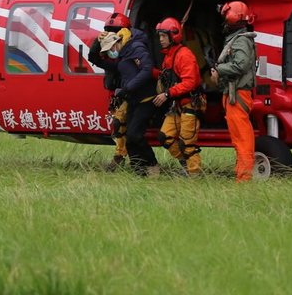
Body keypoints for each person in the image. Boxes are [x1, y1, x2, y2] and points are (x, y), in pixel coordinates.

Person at [97, 24, 159, 176]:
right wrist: (95, 42)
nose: (111, 53)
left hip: (147, 99)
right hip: (133, 100)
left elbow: (147, 69)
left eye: (111, 49)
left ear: (117, 43)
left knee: (134, 135)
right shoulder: (123, 55)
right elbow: (95, 59)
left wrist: (127, 88)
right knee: (129, 138)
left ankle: (152, 165)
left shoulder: (135, 48)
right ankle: (138, 171)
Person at [210, 1, 257, 182]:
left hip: (238, 94)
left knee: (242, 138)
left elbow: (240, 65)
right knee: (238, 137)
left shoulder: (242, 40)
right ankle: (241, 174)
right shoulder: (238, 38)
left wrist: (219, 70)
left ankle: (244, 177)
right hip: (232, 94)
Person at [153, 17, 206, 176]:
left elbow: (190, 82)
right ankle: (186, 163)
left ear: (173, 36)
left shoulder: (184, 55)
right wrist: (145, 68)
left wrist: (167, 94)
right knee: (164, 137)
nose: (160, 39)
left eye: (163, 36)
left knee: (187, 143)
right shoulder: (169, 55)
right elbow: (165, 76)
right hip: (178, 105)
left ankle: (195, 175)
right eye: (160, 36)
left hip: (190, 103)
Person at [87, 13, 133, 171]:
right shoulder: (109, 58)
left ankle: (120, 156)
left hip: (128, 93)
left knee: (120, 123)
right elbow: (93, 57)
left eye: (117, 31)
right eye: (110, 31)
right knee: (118, 125)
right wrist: (97, 42)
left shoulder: (129, 54)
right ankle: (121, 155)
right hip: (115, 94)